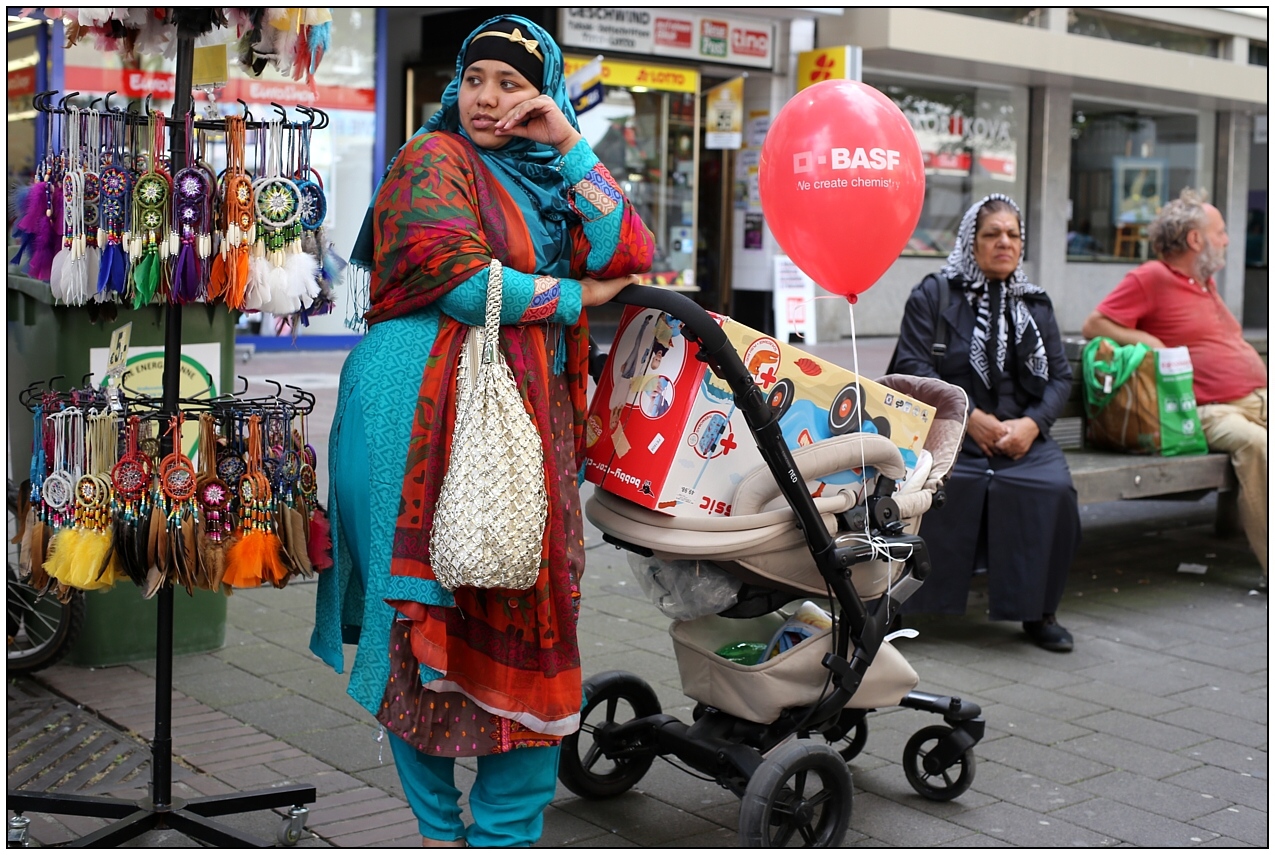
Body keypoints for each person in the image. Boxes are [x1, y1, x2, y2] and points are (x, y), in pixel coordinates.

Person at [310, 16, 654, 847]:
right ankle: (439, 831)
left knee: (526, 606)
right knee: (421, 620)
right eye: (475, 81)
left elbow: (627, 249)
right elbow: (461, 282)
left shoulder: (549, 167)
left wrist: (567, 141)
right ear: (453, 86)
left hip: (520, 422)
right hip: (414, 418)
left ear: (542, 92)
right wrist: (578, 300)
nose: (489, 100)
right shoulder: (430, 161)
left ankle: (503, 833)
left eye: (511, 84)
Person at [892, 194, 1081, 652]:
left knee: (1052, 489)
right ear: (970, 241)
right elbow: (913, 364)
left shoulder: (1035, 304)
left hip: (1022, 438)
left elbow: (1059, 375)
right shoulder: (934, 294)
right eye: (991, 233)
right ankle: (899, 607)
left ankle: (1038, 612)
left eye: (1012, 235)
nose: (1004, 243)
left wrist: (1032, 425)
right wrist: (969, 418)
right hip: (950, 434)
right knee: (930, 490)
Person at [1082, 188, 1267, 574]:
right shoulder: (1152, 277)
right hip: (1205, 409)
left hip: (1252, 398)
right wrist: (1147, 340)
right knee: (1257, 445)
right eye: (1221, 232)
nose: (1228, 240)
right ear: (1196, 239)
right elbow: (1095, 324)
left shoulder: (1204, 284)